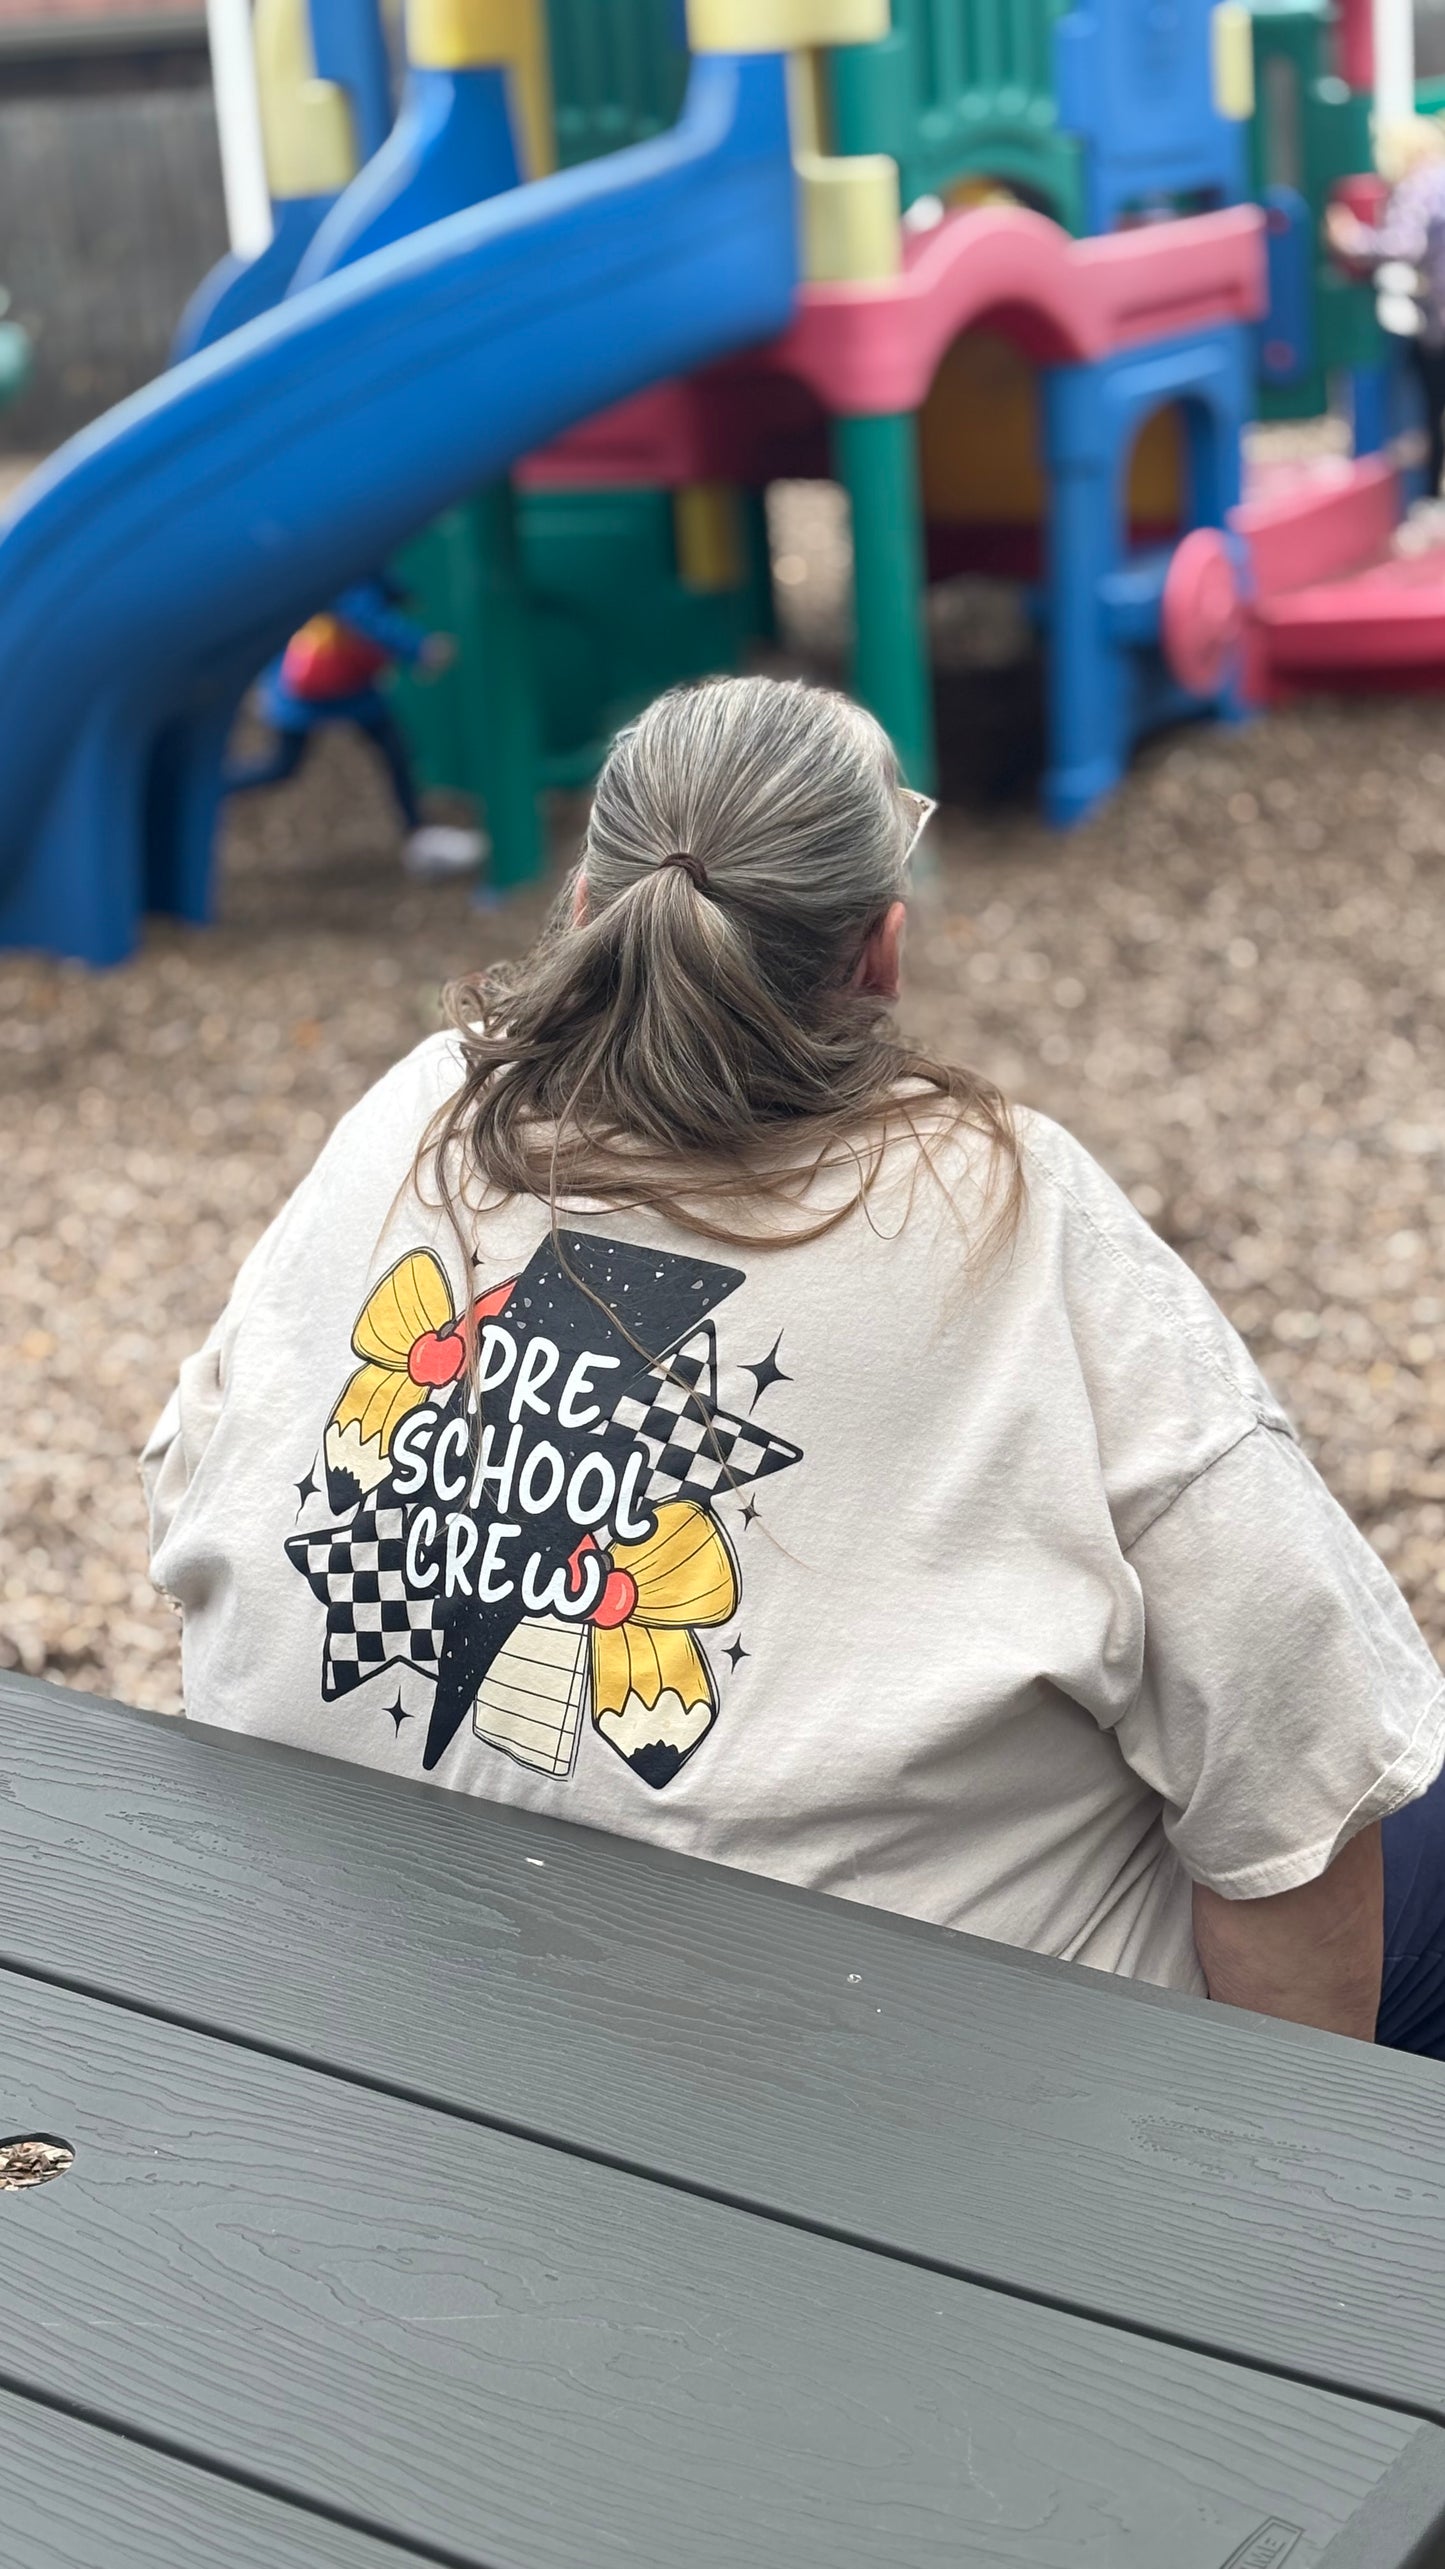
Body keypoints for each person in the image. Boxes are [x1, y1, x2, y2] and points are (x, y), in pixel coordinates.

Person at [145, 675, 1445, 2052]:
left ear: (589, 911)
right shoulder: (1005, 1209)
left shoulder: (415, 1114)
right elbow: (1296, 1744)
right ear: (879, 952)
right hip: (856, 2141)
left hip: (340, 2017)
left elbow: (194, 1484)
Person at [226, 578, 488, 882]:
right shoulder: (353, 571)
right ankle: (216, 787)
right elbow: (363, 614)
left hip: (341, 687)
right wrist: (420, 649)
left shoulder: (360, 564)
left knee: (393, 753)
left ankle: (419, 832)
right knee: (284, 765)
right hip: (323, 687)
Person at [1327, 116, 1445, 498]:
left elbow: (1404, 244)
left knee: (1428, 403)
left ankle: (1427, 495)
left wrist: (1350, 239)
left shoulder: (1420, 184)